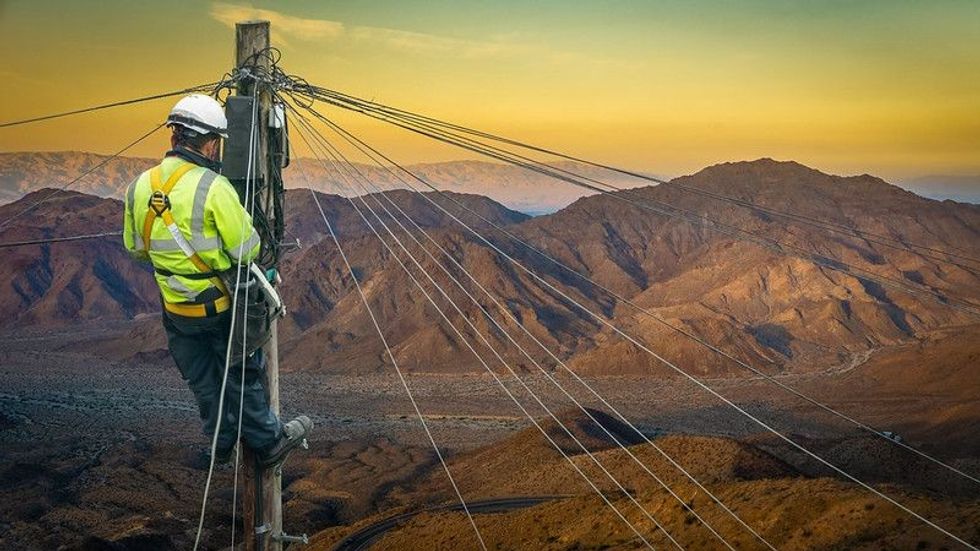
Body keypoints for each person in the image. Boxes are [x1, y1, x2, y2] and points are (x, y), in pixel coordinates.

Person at [123, 93, 311, 466]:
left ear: (176, 136)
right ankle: (269, 442)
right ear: (209, 142)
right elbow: (247, 249)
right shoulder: (213, 187)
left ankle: (220, 441)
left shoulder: (139, 187)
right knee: (241, 372)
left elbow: (137, 249)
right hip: (220, 305)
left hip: (176, 308)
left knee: (203, 380)